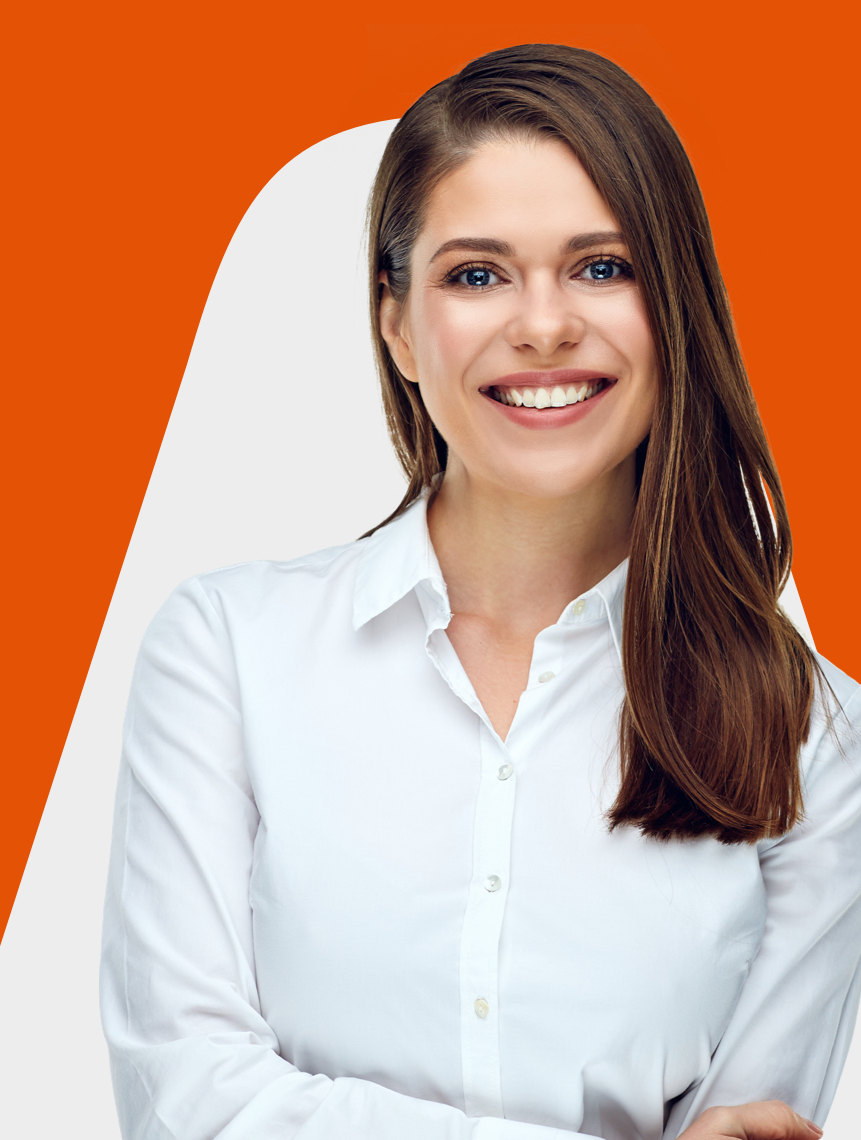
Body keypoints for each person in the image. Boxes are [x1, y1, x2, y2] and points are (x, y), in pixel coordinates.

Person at [99, 44, 861, 1140]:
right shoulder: (226, 652)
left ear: (676, 308)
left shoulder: (817, 741)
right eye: (476, 275)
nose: (543, 325)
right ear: (398, 325)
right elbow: (186, 1102)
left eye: (603, 267)